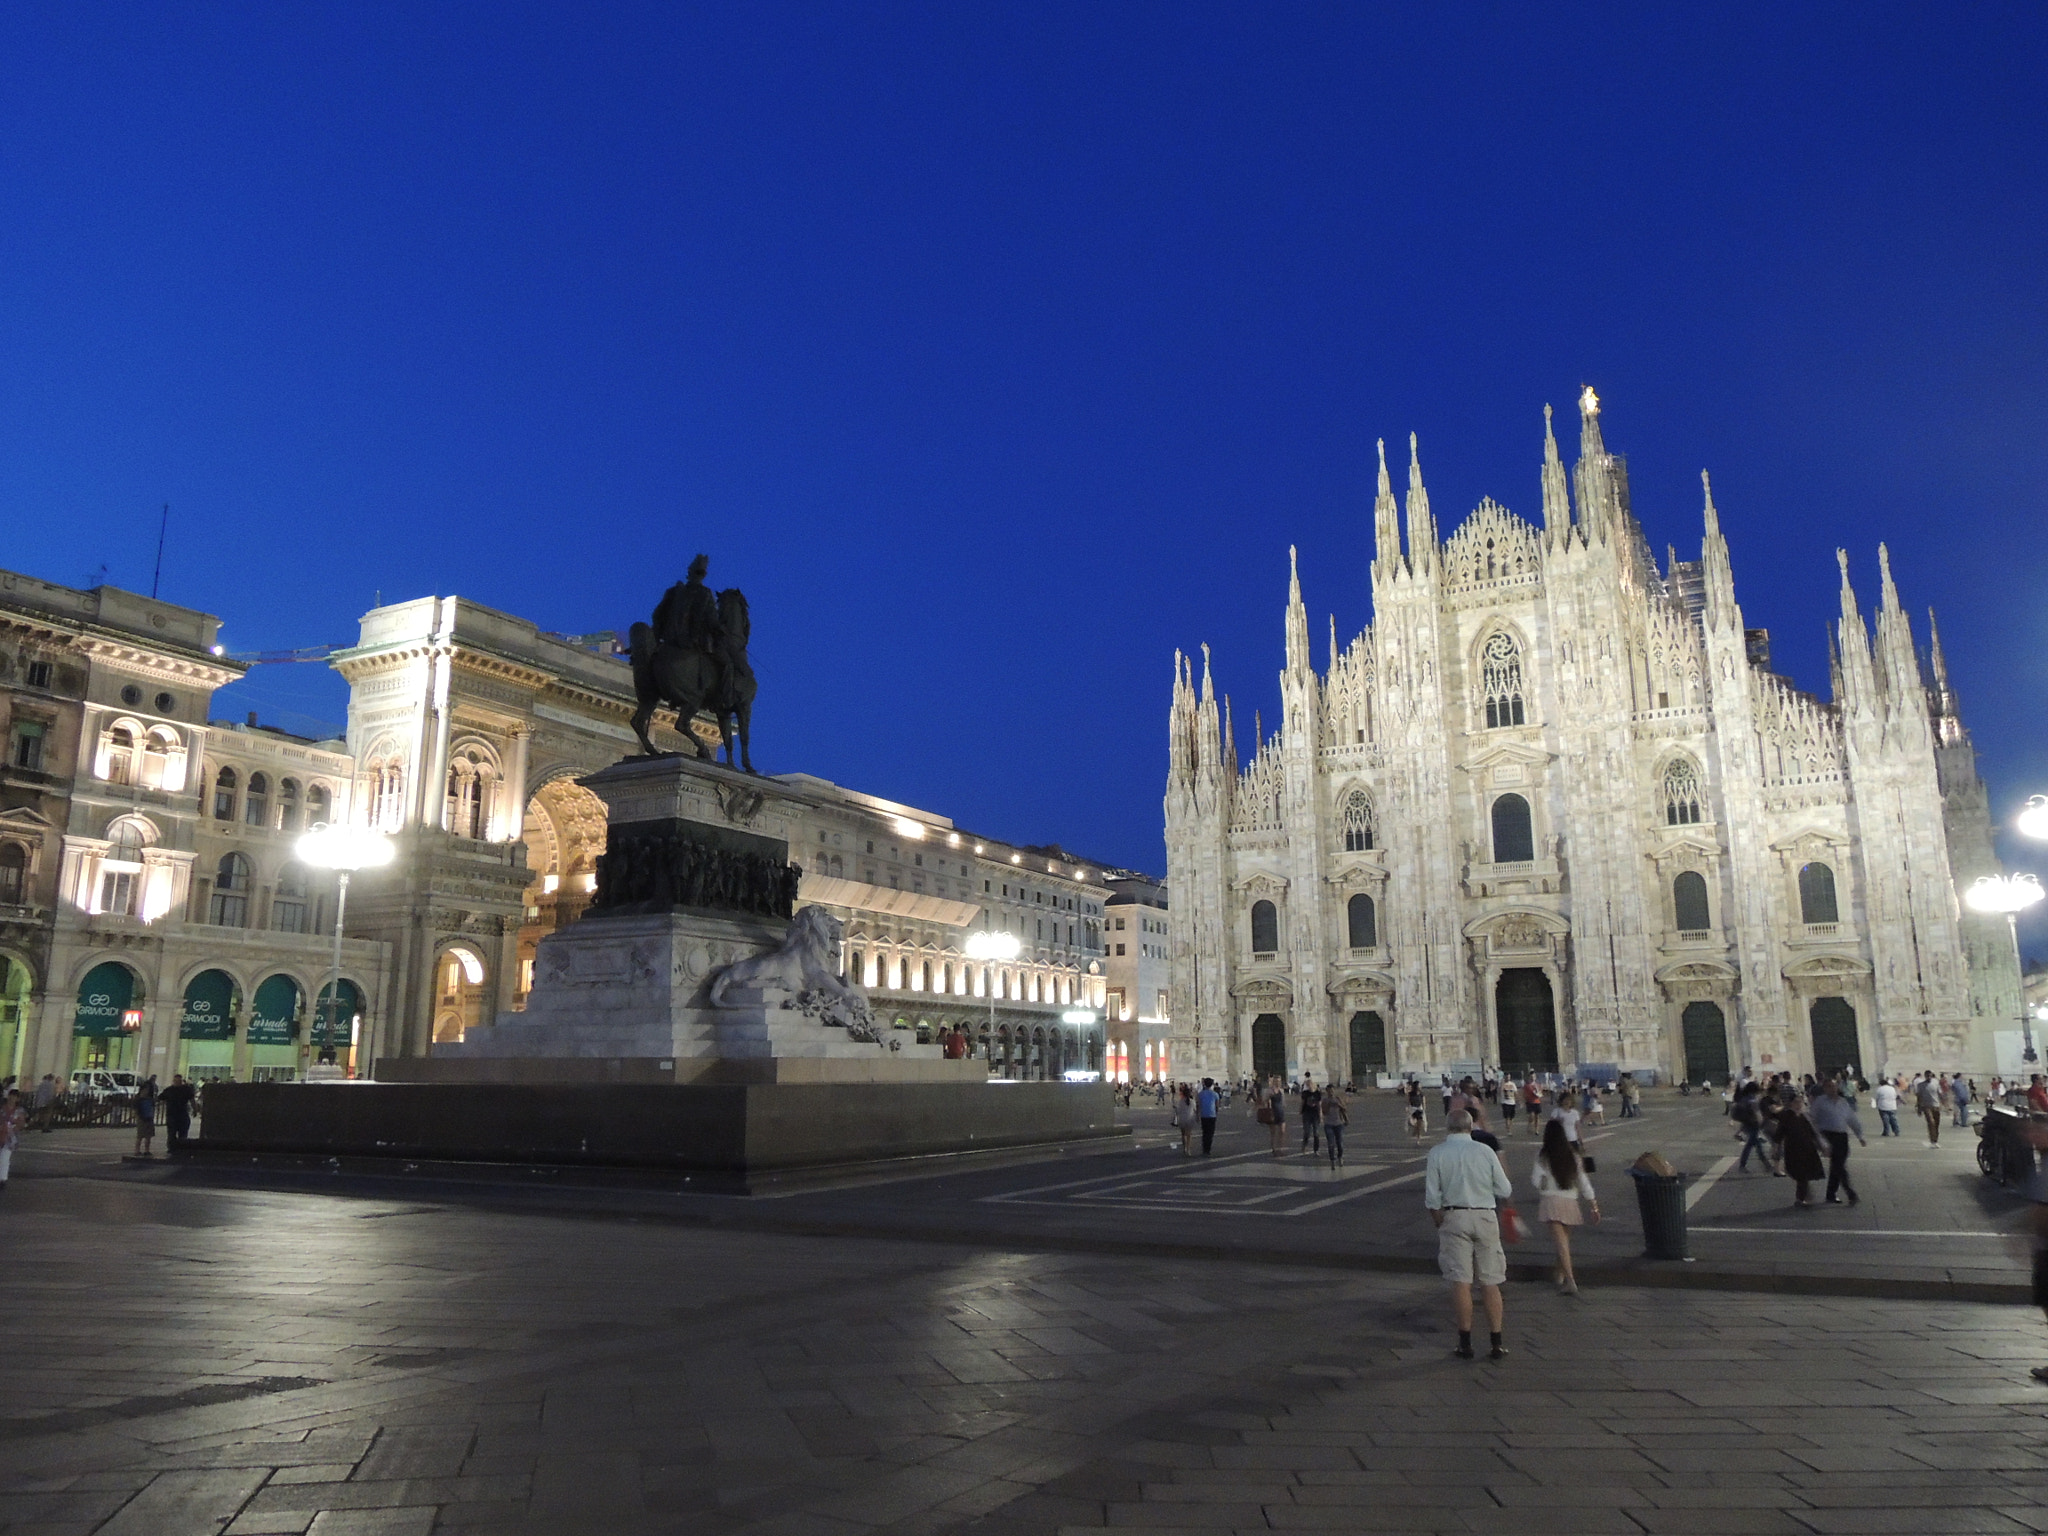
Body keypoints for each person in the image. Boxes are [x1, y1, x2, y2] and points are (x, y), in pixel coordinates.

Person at [1424, 1109, 1513, 1360]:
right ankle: (1496, 1341)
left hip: (1454, 1215)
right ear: (1471, 1126)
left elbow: (1432, 1197)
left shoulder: (1437, 1153)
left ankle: (1465, 1342)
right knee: (1490, 1280)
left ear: (1447, 1127)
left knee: (1461, 1281)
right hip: (1485, 1214)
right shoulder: (1484, 1151)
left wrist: (1439, 1221)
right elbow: (1504, 1188)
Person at [1532, 1117, 1599, 1294]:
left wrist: (1544, 1186)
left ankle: (1569, 1280)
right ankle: (1559, 1275)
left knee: (1561, 1244)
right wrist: (1593, 1205)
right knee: (1563, 1242)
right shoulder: (1573, 1156)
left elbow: (1535, 1180)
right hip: (1570, 1201)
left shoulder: (1543, 1155)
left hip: (1551, 1201)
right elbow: (1583, 1182)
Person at [1809, 1078, 1866, 1205]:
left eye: (1834, 1086)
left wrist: (1860, 1136)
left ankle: (1831, 1194)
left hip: (1842, 1136)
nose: (1832, 1089)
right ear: (1824, 1089)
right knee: (1838, 1165)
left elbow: (1852, 1120)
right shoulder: (1819, 1102)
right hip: (1828, 1135)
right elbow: (1812, 1119)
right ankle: (1850, 1193)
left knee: (1837, 1165)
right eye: (1829, 1086)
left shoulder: (1843, 1102)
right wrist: (1819, 1139)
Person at [1778, 1095, 1827, 1206]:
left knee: (1802, 1174)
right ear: (1791, 1104)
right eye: (1796, 1102)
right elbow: (1779, 1133)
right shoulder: (1787, 1116)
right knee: (1799, 1173)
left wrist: (1822, 1146)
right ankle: (1803, 1195)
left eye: (1800, 1102)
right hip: (1793, 1149)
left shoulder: (1805, 1117)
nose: (1798, 1104)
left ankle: (1801, 1197)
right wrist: (1776, 1147)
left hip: (1806, 1149)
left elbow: (1814, 1133)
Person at [1733, 1084, 1773, 1174]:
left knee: (1757, 1144)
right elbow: (1756, 1112)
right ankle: (1743, 1165)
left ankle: (1767, 1165)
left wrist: (1740, 1130)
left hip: (1747, 1123)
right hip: (1753, 1124)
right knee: (1751, 1145)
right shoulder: (1753, 1099)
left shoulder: (1744, 1098)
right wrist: (1761, 1122)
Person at [160, 1073, 198, 1151]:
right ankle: (177, 1147)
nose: (177, 1082)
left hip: (177, 1114)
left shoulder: (170, 1090)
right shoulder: (182, 1089)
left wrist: (195, 1109)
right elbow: (192, 1100)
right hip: (176, 1114)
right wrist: (195, 1110)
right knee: (175, 1133)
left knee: (175, 1132)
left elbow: (160, 1098)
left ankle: (174, 1147)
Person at [0, 1087, 23, 1192]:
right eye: (11, 1096)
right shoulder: (2, 1108)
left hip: (10, 1137)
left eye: (14, 1097)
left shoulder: (19, 1111)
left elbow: (20, 1124)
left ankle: (2, 1178)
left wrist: (13, 1128)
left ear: (17, 1099)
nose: (12, 1098)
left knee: (5, 1158)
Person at [132, 1075, 159, 1158]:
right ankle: (137, 1150)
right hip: (141, 1117)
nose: (146, 1091)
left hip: (149, 1117)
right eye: (145, 1089)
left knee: (148, 1136)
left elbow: (153, 1106)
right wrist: (136, 1115)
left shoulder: (150, 1099)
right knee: (140, 1135)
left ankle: (147, 1150)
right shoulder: (139, 1099)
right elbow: (135, 1108)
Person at [1915, 1071, 1943, 1146]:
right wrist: (1918, 1107)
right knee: (1931, 1122)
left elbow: (1940, 1093)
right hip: (1926, 1106)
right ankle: (1932, 1140)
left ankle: (1935, 1139)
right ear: (1925, 1076)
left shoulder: (1936, 1083)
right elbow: (1919, 1096)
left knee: (1936, 1124)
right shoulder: (1920, 1085)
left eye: (1930, 1076)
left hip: (1936, 1105)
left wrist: (1944, 1104)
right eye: (1927, 1076)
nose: (1929, 1077)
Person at [1322, 1086, 1349, 1167]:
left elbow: (1344, 1109)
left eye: (1332, 1091)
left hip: (1338, 1124)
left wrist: (1346, 1119)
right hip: (1328, 1124)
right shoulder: (1325, 1100)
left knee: (1340, 1143)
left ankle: (1340, 1157)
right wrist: (1329, 1105)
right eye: (1329, 1091)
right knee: (1331, 1143)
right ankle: (1332, 1160)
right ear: (1327, 1092)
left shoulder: (1338, 1099)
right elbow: (1324, 1112)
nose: (1331, 1092)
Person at [1299, 1076, 1323, 1156]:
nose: (1309, 1086)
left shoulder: (1317, 1093)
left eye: (1310, 1084)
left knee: (1316, 1133)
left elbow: (1319, 1104)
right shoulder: (1305, 1093)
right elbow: (1302, 1102)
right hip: (1307, 1113)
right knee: (1307, 1132)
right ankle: (1304, 1146)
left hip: (1315, 1114)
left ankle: (1316, 1149)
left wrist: (1320, 1115)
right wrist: (1300, 1110)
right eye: (1307, 1084)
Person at [1195, 1077, 1219, 1156]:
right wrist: (1216, 1113)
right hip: (1212, 1115)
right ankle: (1208, 1149)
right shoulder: (1215, 1094)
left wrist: (1197, 1115)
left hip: (1203, 1115)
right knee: (1210, 1133)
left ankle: (1204, 1149)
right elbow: (1217, 1106)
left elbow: (1198, 1105)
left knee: (1204, 1132)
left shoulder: (1200, 1094)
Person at [1265, 1076, 1287, 1158]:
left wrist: (1284, 1106)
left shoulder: (1281, 1090)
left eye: (1279, 1081)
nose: (1278, 1082)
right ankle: (1274, 1149)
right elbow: (1266, 1101)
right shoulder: (1270, 1091)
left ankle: (1281, 1148)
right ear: (1274, 1082)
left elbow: (1283, 1102)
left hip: (1280, 1112)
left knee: (1282, 1132)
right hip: (1273, 1113)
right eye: (1277, 1081)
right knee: (1273, 1133)